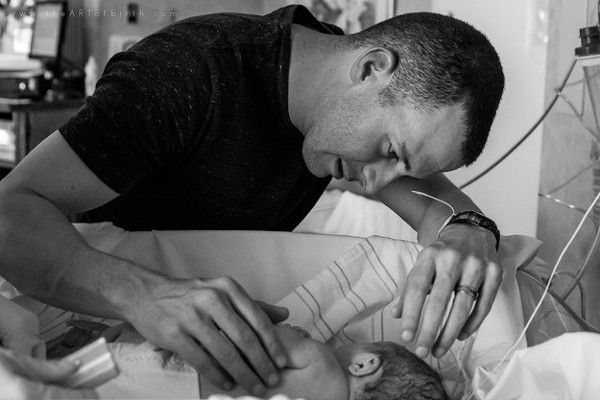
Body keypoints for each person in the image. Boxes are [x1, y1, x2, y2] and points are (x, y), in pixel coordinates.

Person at [0, 4, 505, 397]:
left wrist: (469, 227)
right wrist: (145, 296)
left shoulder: (330, 93)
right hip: (79, 318)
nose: (376, 186)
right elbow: (9, 210)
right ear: (371, 67)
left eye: (403, 170)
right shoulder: (186, 75)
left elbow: (436, 207)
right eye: (391, 152)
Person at [98, 324, 448, 400]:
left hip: (174, 375)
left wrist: (293, 334)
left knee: (87, 371)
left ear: (365, 364)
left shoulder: (321, 363)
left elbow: (249, 334)